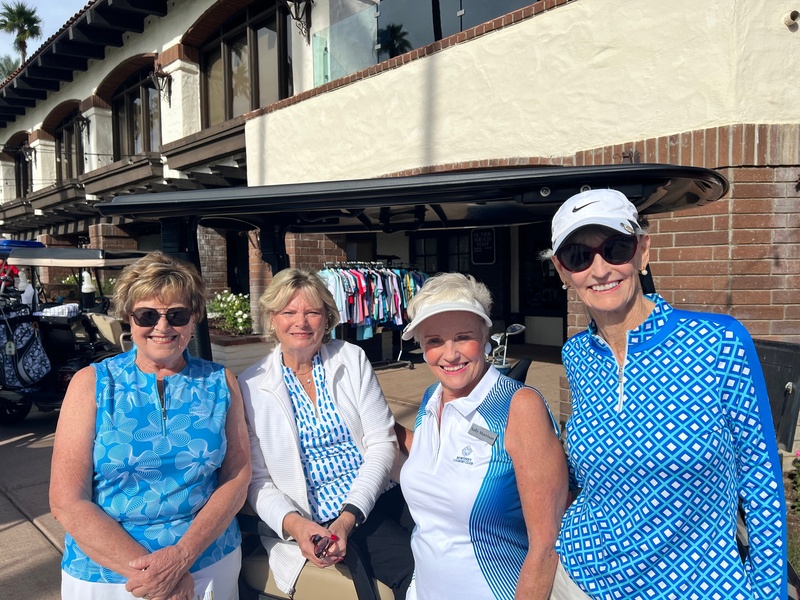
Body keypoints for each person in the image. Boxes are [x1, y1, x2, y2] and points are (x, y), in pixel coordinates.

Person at [547, 188, 787, 599]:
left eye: (616, 248)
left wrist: (769, 591)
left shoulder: (718, 342)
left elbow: (760, 477)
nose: (600, 270)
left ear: (643, 251)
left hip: (697, 585)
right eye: (578, 256)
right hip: (580, 580)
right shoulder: (577, 355)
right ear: (562, 271)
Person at [50, 251, 251, 600]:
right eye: (147, 315)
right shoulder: (92, 384)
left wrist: (182, 557)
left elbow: (237, 475)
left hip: (207, 562)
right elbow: (67, 501)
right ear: (129, 317)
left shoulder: (221, 381)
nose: (162, 326)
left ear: (194, 318)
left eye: (177, 315)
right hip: (110, 574)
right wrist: (158, 576)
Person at [238, 268, 414, 599]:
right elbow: (258, 482)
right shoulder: (250, 386)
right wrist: (295, 525)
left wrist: (352, 513)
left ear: (327, 318)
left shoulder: (351, 358)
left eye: (312, 312)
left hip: (381, 491)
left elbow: (382, 442)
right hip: (323, 519)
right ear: (272, 319)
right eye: (289, 312)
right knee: (416, 567)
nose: (301, 322)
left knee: (456, 542)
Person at [398, 272, 568, 600]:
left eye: (463, 337)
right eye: (434, 341)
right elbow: (434, 469)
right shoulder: (431, 398)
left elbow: (546, 545)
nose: (450, 354)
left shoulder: (520, 407)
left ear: (485, 335)